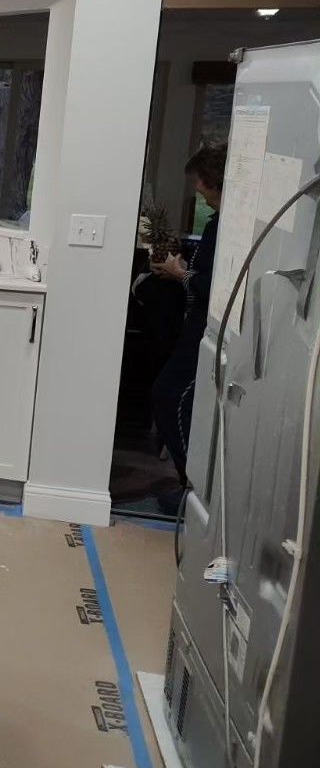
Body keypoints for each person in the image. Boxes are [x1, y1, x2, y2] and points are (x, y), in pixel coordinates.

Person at [149, 143, 227, 512]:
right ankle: (189, 489)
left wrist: (181, 273)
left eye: (200, 179)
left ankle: (193, 493)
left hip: (207, 333)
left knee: (170, 398)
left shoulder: (228, 228)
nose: (196, 187)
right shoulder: (216, 224)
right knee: (169, 397)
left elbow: (216, 284)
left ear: (214, 179)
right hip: (194, 328)